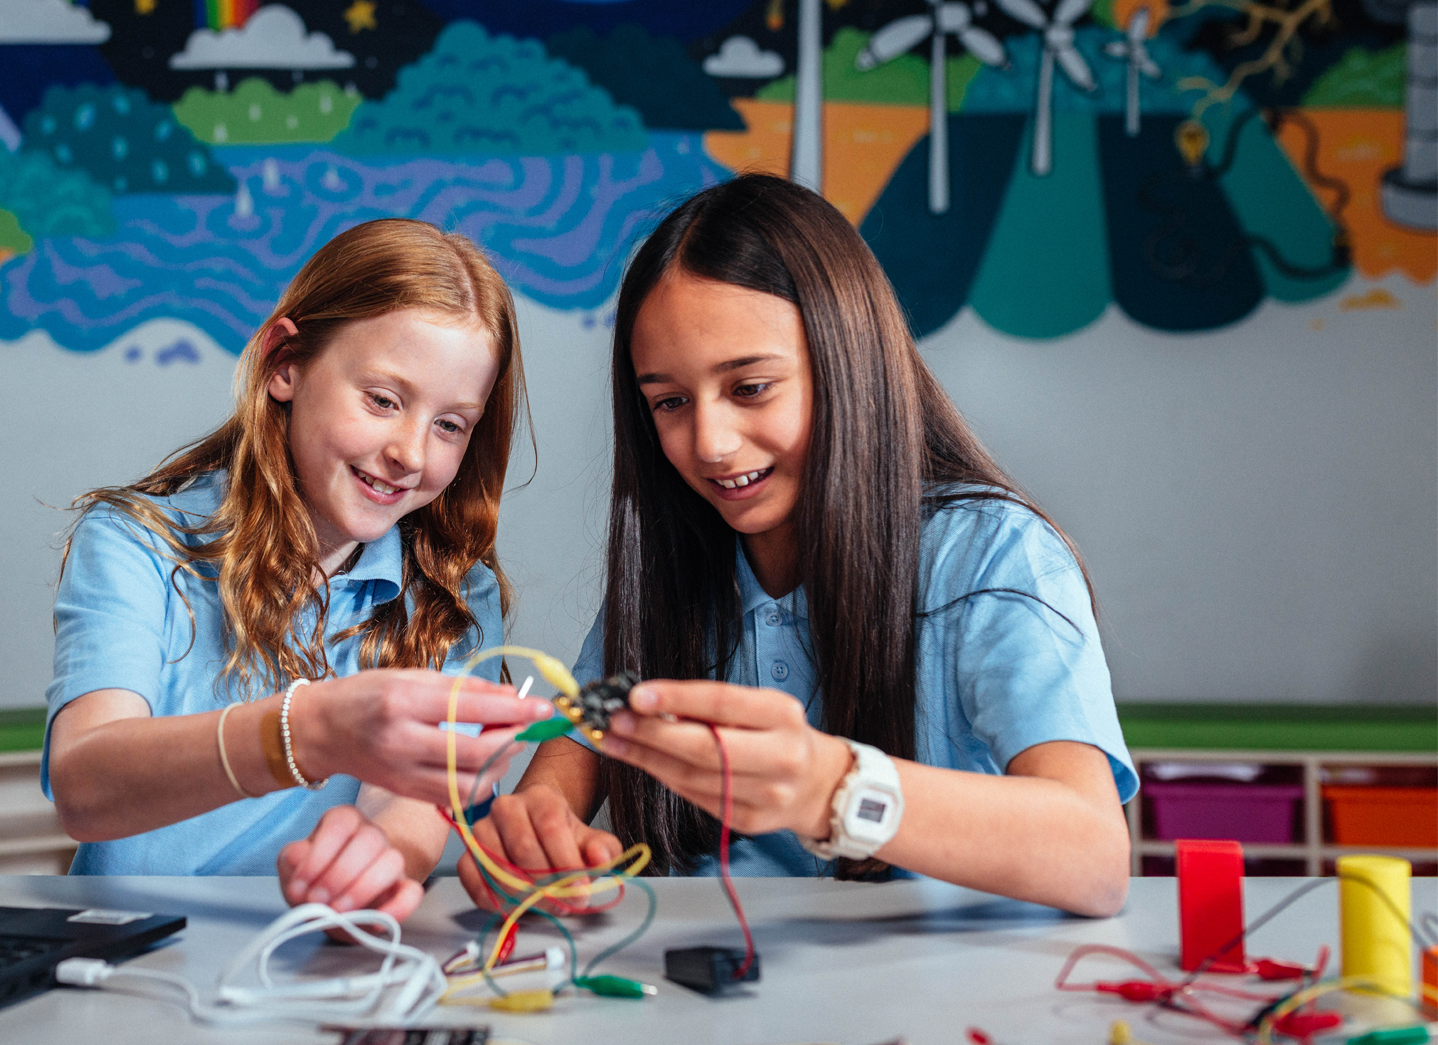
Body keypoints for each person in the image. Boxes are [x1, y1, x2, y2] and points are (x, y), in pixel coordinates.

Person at [454, 174, 1137, 918]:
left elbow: (1094, 858)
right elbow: (574, 746)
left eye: (749, 388)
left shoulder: (993, 555)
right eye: (669, 402)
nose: (710, 445)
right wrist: (530, 833)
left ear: (848, 366)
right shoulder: (677, 564)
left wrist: (830, 786)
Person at [44, 219, 551, 926]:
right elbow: (85, 786)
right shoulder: (138, 544)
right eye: (383, 399)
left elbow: (414, 805)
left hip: (321, 958)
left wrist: (376, 864)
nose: (410, 452)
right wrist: (308, 731)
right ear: (285, 363)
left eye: (450, 425)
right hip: (134, 952)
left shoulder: (457, 596)